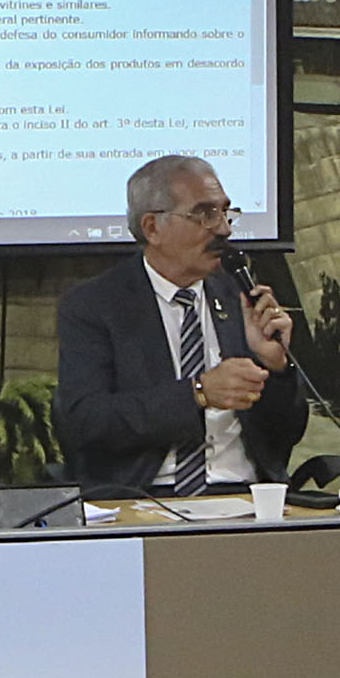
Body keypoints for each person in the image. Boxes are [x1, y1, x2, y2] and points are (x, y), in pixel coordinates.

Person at [53, 155, 305, 492]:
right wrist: (198, 393)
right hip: (145, 495)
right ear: (152, 228)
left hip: (243, 492)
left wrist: (276, 367)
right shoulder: (95, 305)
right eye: (205, 214)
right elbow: (87, 422)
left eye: (225, 212)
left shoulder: (239, 298)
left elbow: (287, 433)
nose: (224, 229)